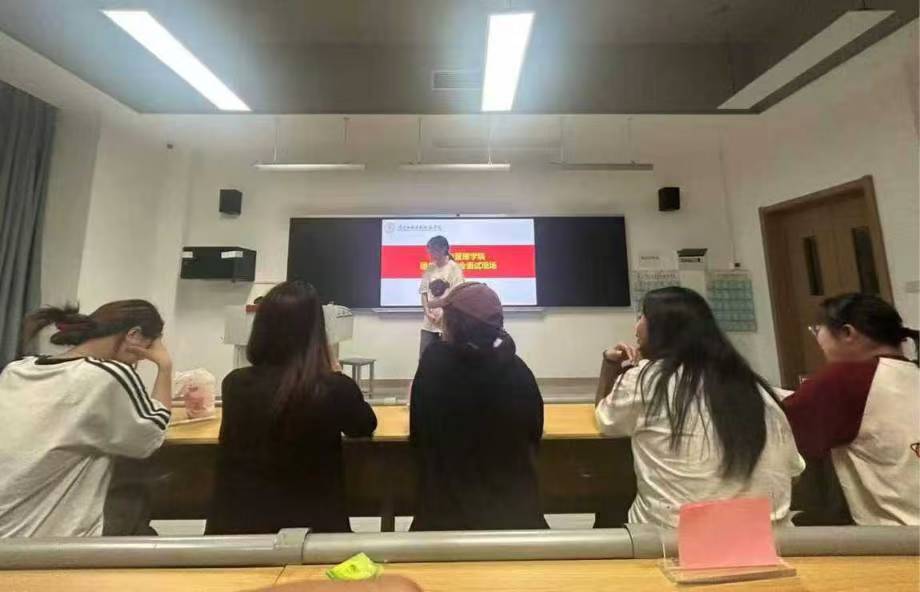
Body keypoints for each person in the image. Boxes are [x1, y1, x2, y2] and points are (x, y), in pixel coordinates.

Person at [594, 287, 804, 528]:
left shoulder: (645, 380)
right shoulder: (753, 386)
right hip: (766, 541)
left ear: (662, 328)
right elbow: (794, 474)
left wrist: (610, 363)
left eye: (642, 316)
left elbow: (605, 419)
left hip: (675, 540)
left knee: (607, 510)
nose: (636, 327)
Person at [206, 281, 377, 534]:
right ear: (317, 335)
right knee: (365, 555)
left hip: (242, 534)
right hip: (316, 535)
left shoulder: (235, 384)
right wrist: (334, 368)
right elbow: (364, 425)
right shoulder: (333, 387)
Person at [0, 300, 173, 537]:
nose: (138, 361)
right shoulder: (106, 375)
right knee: (135, 492)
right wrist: (165, 367)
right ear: (133, 336)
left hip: (6, 524)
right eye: (148, 348)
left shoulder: (17, 370)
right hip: (41, 534)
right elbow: (151, 436)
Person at [409, 282, 547, 531]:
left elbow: (417, 435)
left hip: (444, 525)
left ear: (454, 324)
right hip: (517, 525)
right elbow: (534, 436)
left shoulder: (434, 364)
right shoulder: (519, 372)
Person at [783, 293, 919, 526]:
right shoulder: (911, 373)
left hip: (899, 539)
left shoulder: (846, 379)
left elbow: (776, 429)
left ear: (847, 333)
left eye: (817, 330)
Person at [419, 235, 464, 358]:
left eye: (433, 249)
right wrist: (427, 312)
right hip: (429, 323)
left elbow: (457, 295)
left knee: (447, 359)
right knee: (425, 358)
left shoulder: (454, 268)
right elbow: (424, 293)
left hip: (447, 322)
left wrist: (443, 313)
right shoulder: (430, 268)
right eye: (429, 250)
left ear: (444, 249)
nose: (430, 253)